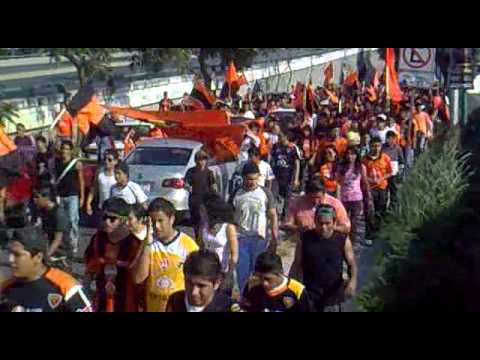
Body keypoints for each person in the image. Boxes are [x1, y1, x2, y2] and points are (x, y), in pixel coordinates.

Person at [133, 198, 199, 312]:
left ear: (171, 219)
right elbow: (138, 278)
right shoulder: (148, 243)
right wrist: (147, 244)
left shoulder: (188, 245)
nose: (156, 226)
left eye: (160, 220)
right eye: (153, 222)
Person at [1, 229, 91, 312]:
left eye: (17, 255)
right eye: (10, 253)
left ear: (38, 257)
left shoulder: (67, 287)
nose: (10, 259)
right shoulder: (6, 288)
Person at [289, 204, 357, 312]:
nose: (323, 227)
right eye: (320, 223)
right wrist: (291, 287)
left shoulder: (342, 239)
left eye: (327, 223)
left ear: (334, 223)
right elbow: (296, 264)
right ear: (315, 222)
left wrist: (352, 281)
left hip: (333, 294)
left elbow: (351, 263)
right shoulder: (305, 239)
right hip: (310, 293)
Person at [84, 197, 142, 312]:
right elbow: (89, 269)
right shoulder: (97, 239)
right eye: (104, 217)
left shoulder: (135, 244)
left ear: (124, 220)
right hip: (101, 300)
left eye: (112, 219)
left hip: (127, 302)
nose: (107, 222)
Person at [229, 162, 278, 292]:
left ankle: (259, 299)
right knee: (242, 274)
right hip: (241, 240)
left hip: (260, 240)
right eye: (249, 179)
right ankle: (245, 299)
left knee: (260, 273)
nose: (253, 182)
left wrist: (274, 238)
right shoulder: (236, 193)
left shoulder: (265, 193)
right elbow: (229, 218)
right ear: (243, 178)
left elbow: (273, 215)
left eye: (255, 179)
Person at [166, 250, 240, 312]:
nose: (194, 292)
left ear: (217, 283)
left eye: (201, 286)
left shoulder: (228, 308)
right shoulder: (175, 301)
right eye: (189, 283)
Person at [241, 252, 313, 312]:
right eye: (259, 277)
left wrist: (292, 308)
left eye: (268, 279)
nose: (264, 283)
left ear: (280, 272)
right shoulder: (252, 285)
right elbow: (245, 307)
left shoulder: (297, 290)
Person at [282, 176, 351, 235]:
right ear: (306, 194)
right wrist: (300, 228)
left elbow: (346, 228)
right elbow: (287, 225)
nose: (315, 201)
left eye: (318, 197)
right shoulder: (297, 202)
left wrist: (329, 227)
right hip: (306, 242)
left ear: (324, 193)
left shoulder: (335, 204)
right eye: (312, 198)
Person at [336, 146, 372, 247]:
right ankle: (342, 240)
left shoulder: (361, 167)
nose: (350, 156)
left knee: (355, 221)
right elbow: (338, 183)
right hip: (344, 197)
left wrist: (368, 195)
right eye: (348, 154)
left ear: (356, 155)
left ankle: (352, 242)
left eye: (353, 154)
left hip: (356, 197)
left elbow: (364, 182)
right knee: (343, 220)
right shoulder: (341, 167)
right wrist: (338, 198)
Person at [54, 140, 85, 257]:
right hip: (61, 196)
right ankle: (63, 242)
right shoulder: (57, 163)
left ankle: (73, 241)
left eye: (67, 149)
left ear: (71, 151)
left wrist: (82, 197)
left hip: (73, 195)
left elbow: (81, 181)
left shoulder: (76, 164)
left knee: (72, 219)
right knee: (61, 221)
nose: (64, 151)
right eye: (63, 149)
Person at [201, 192, 238, 283]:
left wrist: (229, 276)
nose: (201, 213)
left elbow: (234, 254)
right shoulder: (203, 226)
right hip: (207, 269)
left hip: (223, 271)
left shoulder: (228, 228)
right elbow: (201, 247)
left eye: (203, 210)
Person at [32, 186, 73, 265]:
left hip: (61, 254)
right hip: (50, 251)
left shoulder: (59, 214)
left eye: (37, 197)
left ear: (47, 198)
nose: (34, 200)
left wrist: (45, 256)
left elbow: (57, 240)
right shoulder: (43, 211)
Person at [184, 150, 217, 241]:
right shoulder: (191, 171)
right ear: (195, 161)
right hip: (194, 200)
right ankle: (198, 241)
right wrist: (187, 186)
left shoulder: (209, 172)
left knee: (205, 222)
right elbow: (186, 183)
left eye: (203, 160)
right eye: (199, 160)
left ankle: (206, 241)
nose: (201, 162)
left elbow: (213, 185)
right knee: (196, 223)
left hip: (205, 201)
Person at [270, 131, 300, 219]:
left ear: (286, 137)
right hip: (276, 175)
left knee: (287, 197)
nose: (279, 138)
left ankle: (285, 216)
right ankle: (275, 215)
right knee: (275, 195)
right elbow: (272, 160)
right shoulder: (276, 146)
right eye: (278, 136)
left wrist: (296, 178)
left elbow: (297, 163)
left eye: (281, 136)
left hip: (288, 176)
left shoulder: (292, 148)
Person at [363, 136, 392, 221]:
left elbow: (390, 172)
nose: (376, 148)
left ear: (381, 146)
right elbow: (362, 174)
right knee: (371, 208)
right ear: (370, 146)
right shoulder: (365, 159)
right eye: (374, 146)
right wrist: (368, 179)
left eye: (378, 146)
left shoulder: (385, 158)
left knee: (382, 207)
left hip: (382, 187)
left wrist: (382, 178)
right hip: (370, 188)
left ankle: (381, 226)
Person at [86, 149, 120, 218]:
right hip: (102, 209)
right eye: (105, 159)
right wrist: (88, 203)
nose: (106, 161)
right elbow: (94, 189)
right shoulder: (100, 173)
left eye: (109, 160)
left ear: (115, 161)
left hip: (116, 210)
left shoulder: (118, 174)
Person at [382, 131, 405, 205]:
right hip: (384, 173)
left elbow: (401, 161)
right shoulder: (382, 148)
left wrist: (400, 171)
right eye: (388, 138)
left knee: (394, 191)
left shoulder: (398, 148)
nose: (390, 140)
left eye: (392, 138)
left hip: (394, 173)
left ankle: (393, 207)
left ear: (395, 139)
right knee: (384, 192)